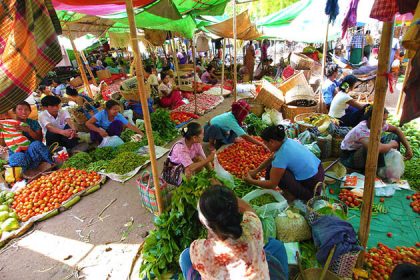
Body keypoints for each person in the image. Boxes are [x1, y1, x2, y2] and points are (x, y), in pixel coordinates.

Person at [180, 185, 288, 280]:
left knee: (185, 257)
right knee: (275, 245)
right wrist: (225, 194)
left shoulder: (198, 249)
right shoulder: (252, 227)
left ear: (204, 222)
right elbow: (247, 208)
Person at [244, 125, 324, 201]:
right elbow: (272, 158)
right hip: (319, 173)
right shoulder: (288, 141)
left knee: (279, 173)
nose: (265, 146)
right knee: (273, 166)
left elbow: (272, 184)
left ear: (271, 142)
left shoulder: (281, 155)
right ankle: (293, 191)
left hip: (311, 190)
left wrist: (251, 181)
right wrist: (256, 171)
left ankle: (292, 195)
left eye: (265, 143)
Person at [340, 106, 413, 171]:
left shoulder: (379, 124)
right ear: (371, 119)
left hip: (361, 150)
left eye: (385, 119)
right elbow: (376, 148)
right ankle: (380, 169)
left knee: (394, 136)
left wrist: (408, 148)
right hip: (349, 157)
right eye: (382, 119)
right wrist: (391, 145)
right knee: (373, 146)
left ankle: (391, 163)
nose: (384, 122)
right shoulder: (361, 130)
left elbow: (396, 130)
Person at [0, 102, 52, 171]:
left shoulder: (33, 123)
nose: (24, 112)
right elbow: (3, 144)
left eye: (26, 109)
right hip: (16, 151)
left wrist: (28, 130)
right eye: (20, 109)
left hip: (33, 152)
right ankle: (27, 173)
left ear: (30, 111)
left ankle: (49, 164)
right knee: (18, 157)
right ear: (14, 111)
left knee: (36, 144)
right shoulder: (7, 124)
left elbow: (40, 139)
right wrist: (2, 131)